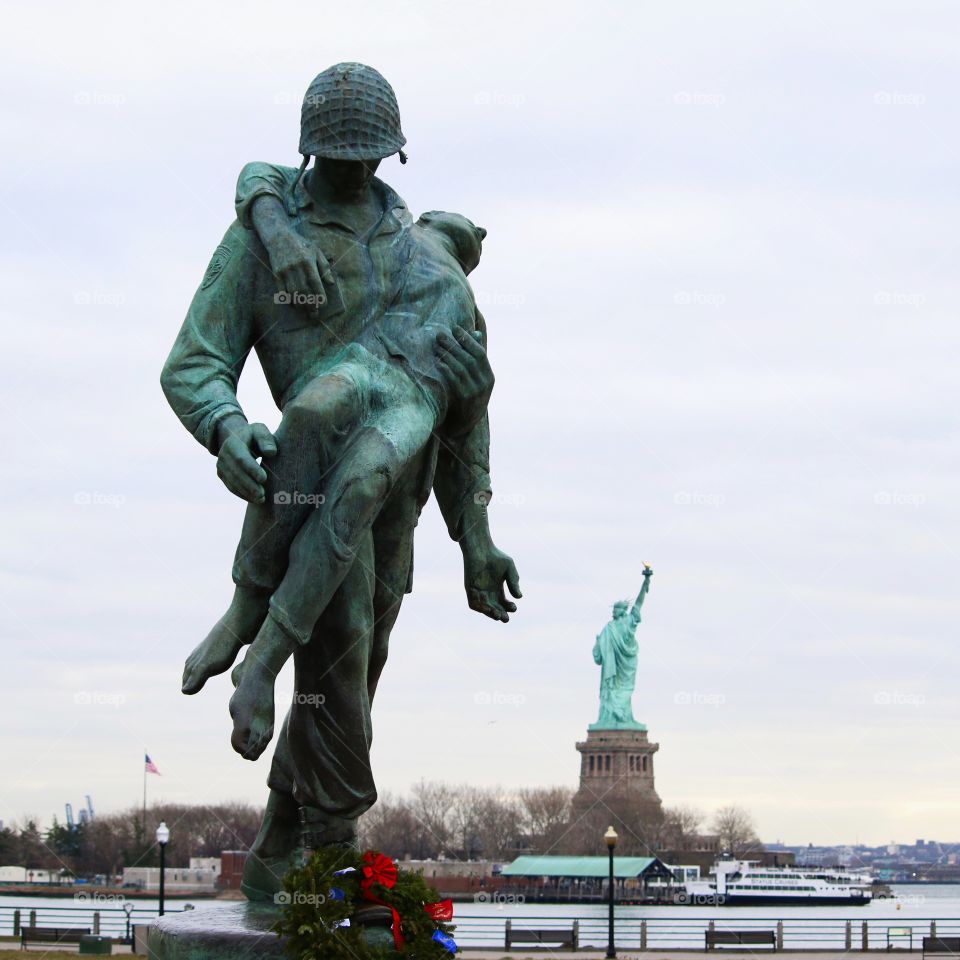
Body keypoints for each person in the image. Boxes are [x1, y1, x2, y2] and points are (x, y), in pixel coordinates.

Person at [161, 63, 521, 897]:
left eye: (367, 159)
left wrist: (477, 536)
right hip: (298, 488)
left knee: (347, 678)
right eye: (337, 159)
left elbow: (470, 417)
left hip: (396, 500)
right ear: (308, 151)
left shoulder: (432, 264)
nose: (352, 174)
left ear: (394, 158)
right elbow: (195, 362)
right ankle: (332, 856)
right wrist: (225, 425)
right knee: (341, 649)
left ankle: (276, 851)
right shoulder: (263, 237)